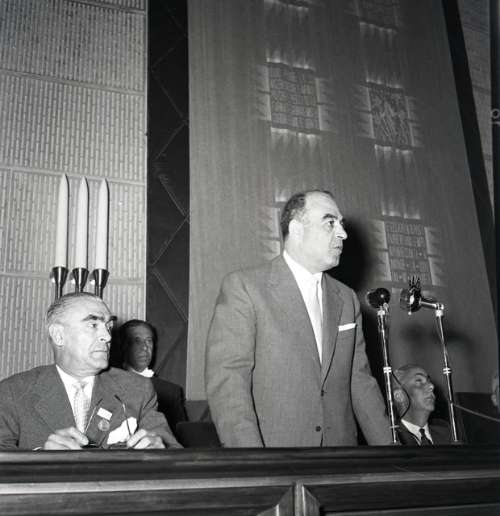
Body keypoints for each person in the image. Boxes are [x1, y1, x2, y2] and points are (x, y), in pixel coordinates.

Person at [205, 190, 392, 447]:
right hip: (276, 457)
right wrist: (251, 459)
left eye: (342, 224)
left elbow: (360, 382)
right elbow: (229, 381)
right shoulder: (245, 288)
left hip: (341, 458)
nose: (343, 234)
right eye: (330, 223)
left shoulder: (347, 298)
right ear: (296, 229)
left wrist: (392, 454)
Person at [0, 292, 181, 450]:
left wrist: (159, 452)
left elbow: (176, 458)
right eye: (93, 325)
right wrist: (41, 457)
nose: (107, 337)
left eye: (109, 326)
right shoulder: (13, 392)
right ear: (58, 335)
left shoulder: (137, 389)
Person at [120, 319, 188, 436]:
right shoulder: (107, 382)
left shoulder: (170, 392)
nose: (145, 347)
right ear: (123, 346)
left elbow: (182, 437)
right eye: (137, 341)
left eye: (149, 341)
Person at [392, 364, 451, 445]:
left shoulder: (448, 434)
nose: (431, 386)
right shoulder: (392, 437)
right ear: (399, 396)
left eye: (429, 381)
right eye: (419, 381)